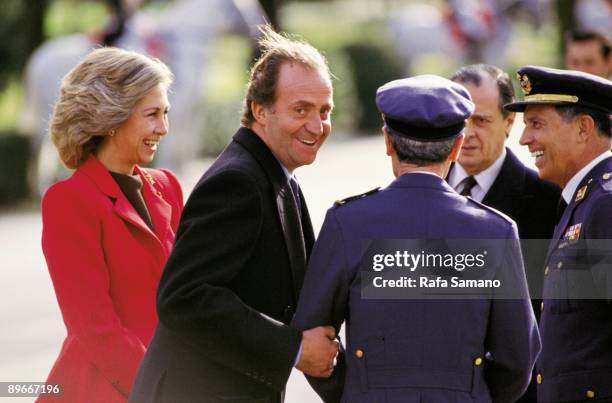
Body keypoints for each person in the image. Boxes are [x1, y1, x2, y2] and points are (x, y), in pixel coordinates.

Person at [292, 75, 540, 403]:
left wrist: (355, 392)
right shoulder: (495, 230)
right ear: (456, 146)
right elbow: (518, 358)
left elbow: (310, 341)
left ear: (387, 142)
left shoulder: (347, 222)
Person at [130, 25, 338, 403]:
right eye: (300, 109)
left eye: (325, 111)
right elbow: (183, 296)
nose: (317, 125)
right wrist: (292, 348)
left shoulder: (277, 176)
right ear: (260, 111)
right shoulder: (238, 183)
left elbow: (306, 299)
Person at [39, 47, 183, 402]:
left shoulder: (167, 185)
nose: (163, 128)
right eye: (152, 115)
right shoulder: (68, 201)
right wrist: (158, 389)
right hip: (104, 389)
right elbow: (95, 329)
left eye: (165, 113)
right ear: (112, 118)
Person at [449, 63, 560, 403]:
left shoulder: (547, 200)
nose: (467, 133)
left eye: (480, 121)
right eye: (458, 120)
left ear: (509, 123)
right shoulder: (416, 192)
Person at [506, 66, 612, 403]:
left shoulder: (605, 204)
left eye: (536, 124)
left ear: (583, 128)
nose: (524, 139)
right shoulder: (583, 200)